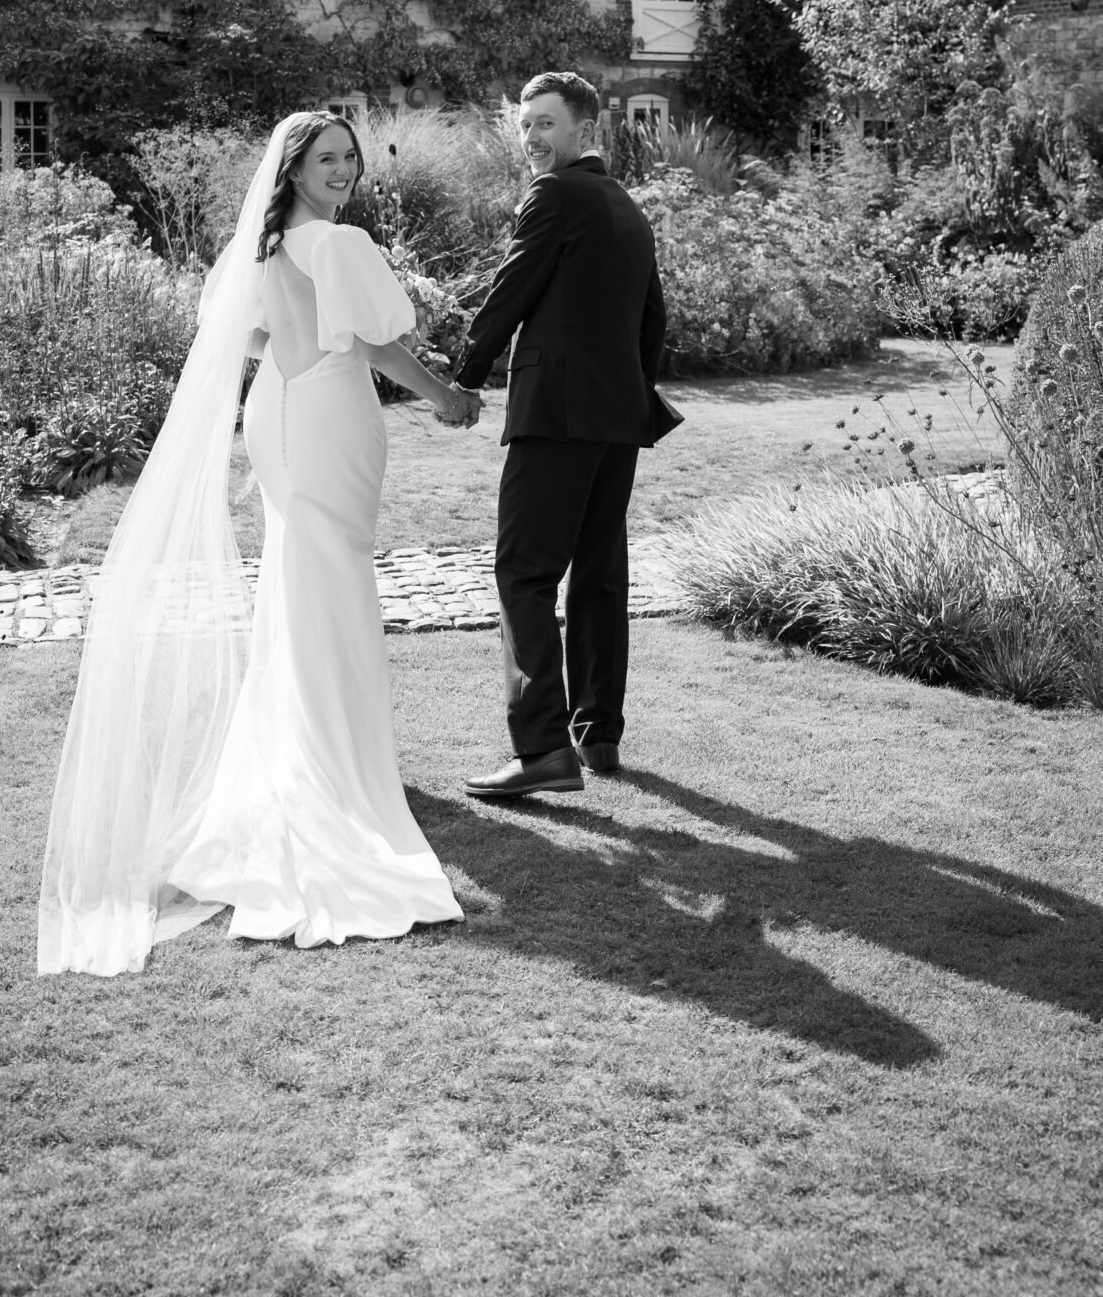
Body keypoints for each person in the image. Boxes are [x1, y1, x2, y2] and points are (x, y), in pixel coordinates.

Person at [38, 111, 476, 975]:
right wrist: (443, 395)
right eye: (327, 159)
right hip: (324, 409)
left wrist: (299, 353)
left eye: (349, 158)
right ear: (294, 166)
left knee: (301, 574)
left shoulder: (268, 242)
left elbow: (239, 334)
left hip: (277, 405)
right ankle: (328, 767)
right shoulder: (338, 245)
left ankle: (300, 742)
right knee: (334, 576)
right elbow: (380, 345)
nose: (344, 170)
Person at [457, 73, 667, 798]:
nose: (531, 137)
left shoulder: (555, 195)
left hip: (557, 413)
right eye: (525, 124)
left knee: (523, 571)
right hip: (616, 417)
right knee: (599, 573)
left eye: (545, 123)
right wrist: (631, 393)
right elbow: (652, 320)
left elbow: (511, 287)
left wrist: (466, 372)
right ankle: (597, 733)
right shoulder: (624, 206)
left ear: (584, 126)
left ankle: (541, 749)